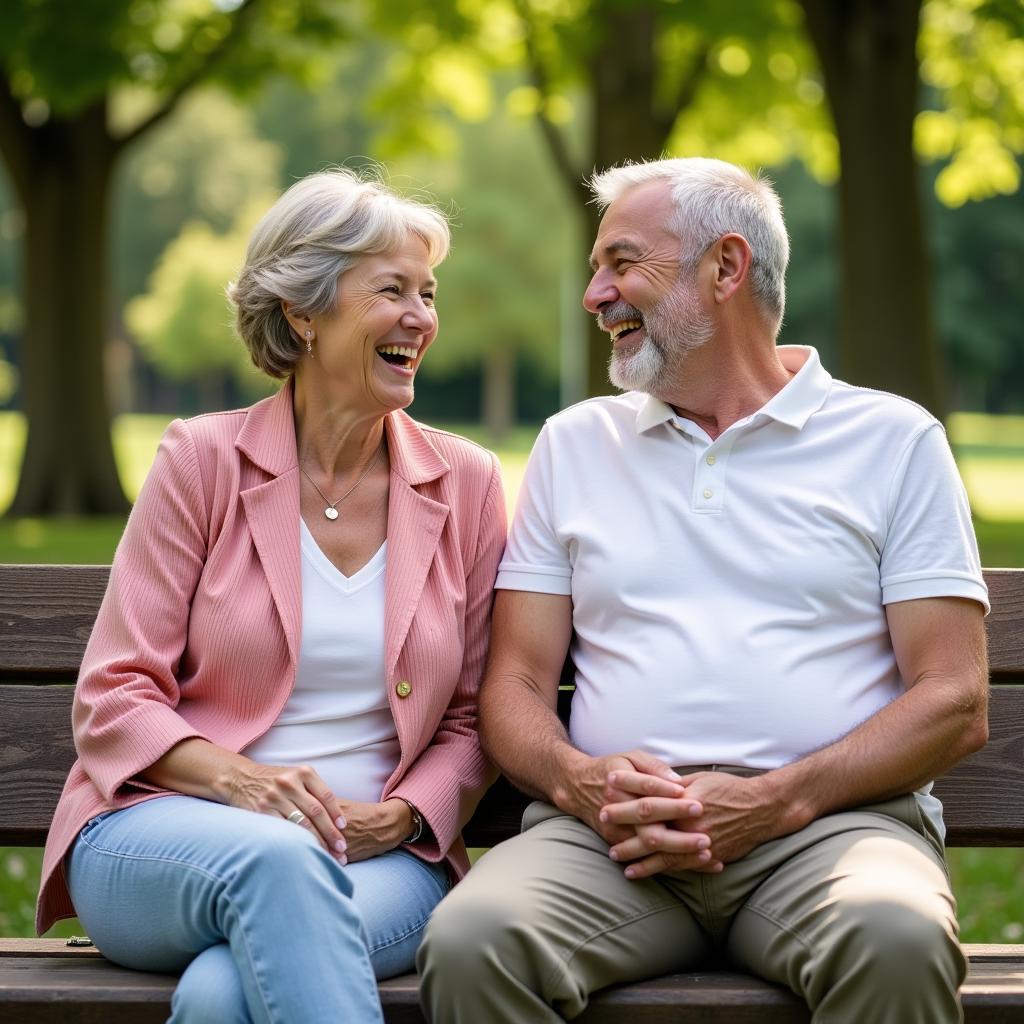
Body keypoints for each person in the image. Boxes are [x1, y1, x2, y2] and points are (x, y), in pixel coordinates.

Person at [417, 157, 989, 1024]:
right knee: (473, 942)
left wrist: (772, 802)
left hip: (830, 831)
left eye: (622, 263)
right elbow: (517, 684)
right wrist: (579, 783)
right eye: (595, 269)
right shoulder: (575, 446)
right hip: (611, 841)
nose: (594, 294)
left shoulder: (894, 441)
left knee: (896, 938)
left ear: (726, 268)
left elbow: (954, 698)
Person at [36, 168, 506, 1023]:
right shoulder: (201, 461)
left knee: (224, 993)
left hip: (381, 859)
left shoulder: (465, 482)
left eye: (427, 294)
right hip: (165, 833)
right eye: (391, 290)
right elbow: (114, 696)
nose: (421, 318)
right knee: (277, 868)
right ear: (303, 311)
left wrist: (400, 820)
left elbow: (473, 720)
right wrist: (244, 786)